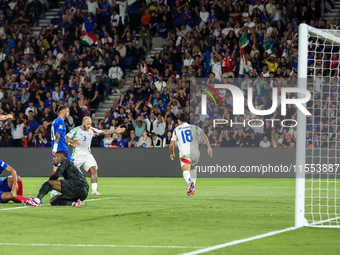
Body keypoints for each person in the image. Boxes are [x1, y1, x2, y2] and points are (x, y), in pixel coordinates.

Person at [66, 117, 125, 195]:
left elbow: (104, 131)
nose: (89, 125)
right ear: (83, 123)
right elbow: (66, 138)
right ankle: (65, 188)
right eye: (87, 124)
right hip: (77, 155)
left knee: (94, 169)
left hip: (87, 155)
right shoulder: (76, 130)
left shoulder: (91, 130)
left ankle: (94, 191)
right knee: (71, 173)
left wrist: (115, 131)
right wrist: (73, 141)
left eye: (90, 123)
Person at [170, 113, 213, 196]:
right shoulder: (194, 127)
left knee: (186, 170)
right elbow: (204, 136)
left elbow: (171, 144)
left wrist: (172, 153)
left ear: (179, 121)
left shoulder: (176, 129)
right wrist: (209, 147)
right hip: (195, 153)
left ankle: (189, 182)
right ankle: (192, 189)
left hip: (185, 153)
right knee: (192, 169)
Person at [50, 105, 71, 197]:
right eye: (67, 111)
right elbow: (57, 135)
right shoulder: (60, 121)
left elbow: (61, 136)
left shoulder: (55, 121)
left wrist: (70, 144)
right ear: (63, 112)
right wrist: (55, 148)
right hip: (60, 148)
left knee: (56, 168)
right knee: (70, 167)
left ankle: (52, 188)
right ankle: (71, 187)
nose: (68, 113)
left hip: (58, 146)